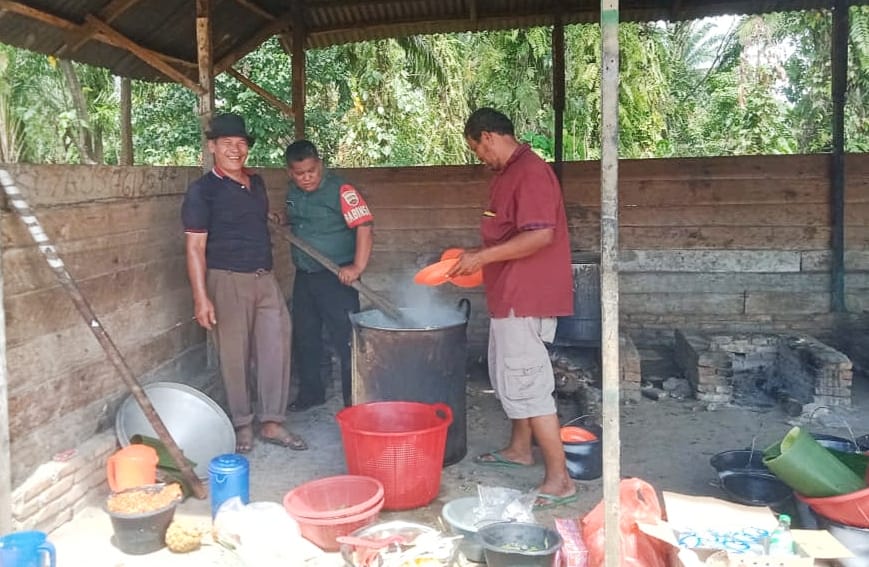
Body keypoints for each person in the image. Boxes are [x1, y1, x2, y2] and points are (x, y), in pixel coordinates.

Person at [449, 108, 576, 510]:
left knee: (529, 384)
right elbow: (507, 235)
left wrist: (482, 258)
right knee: (511, 376)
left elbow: (540, 236)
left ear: (487, 136)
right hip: (509, 295)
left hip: (526, 296)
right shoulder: (508, 173)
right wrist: (478, 255)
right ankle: (521, 449)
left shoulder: (530, 172)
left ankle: (560, 479)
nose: (479, 157)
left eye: (477, 149)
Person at [181, 113, 306, 453]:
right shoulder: (202, 191)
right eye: (227, 144)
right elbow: (195, 248)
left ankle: (272, 421)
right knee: (234, 354)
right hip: (227, 279)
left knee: (276, 343)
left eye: (240, 143)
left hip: (264, 277)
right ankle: (242, 425)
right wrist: (201, 298)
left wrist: (270, 218)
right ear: (212, 147)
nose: (235, 150)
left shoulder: (256, 184)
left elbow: (252, 216)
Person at [284, 140, 374, 410]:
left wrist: (356, 268)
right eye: (300, 173)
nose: (306, 178)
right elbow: (297, 221)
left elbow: (364, 226)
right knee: (305, 336)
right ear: (290, 172)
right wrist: (280, 219)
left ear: (320, 164)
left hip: (337, 277)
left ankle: (354, 401)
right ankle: (311, 393)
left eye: (311, 171)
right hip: (305, 275)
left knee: (346, 340)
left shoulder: (342, 190)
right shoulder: (293, 192)